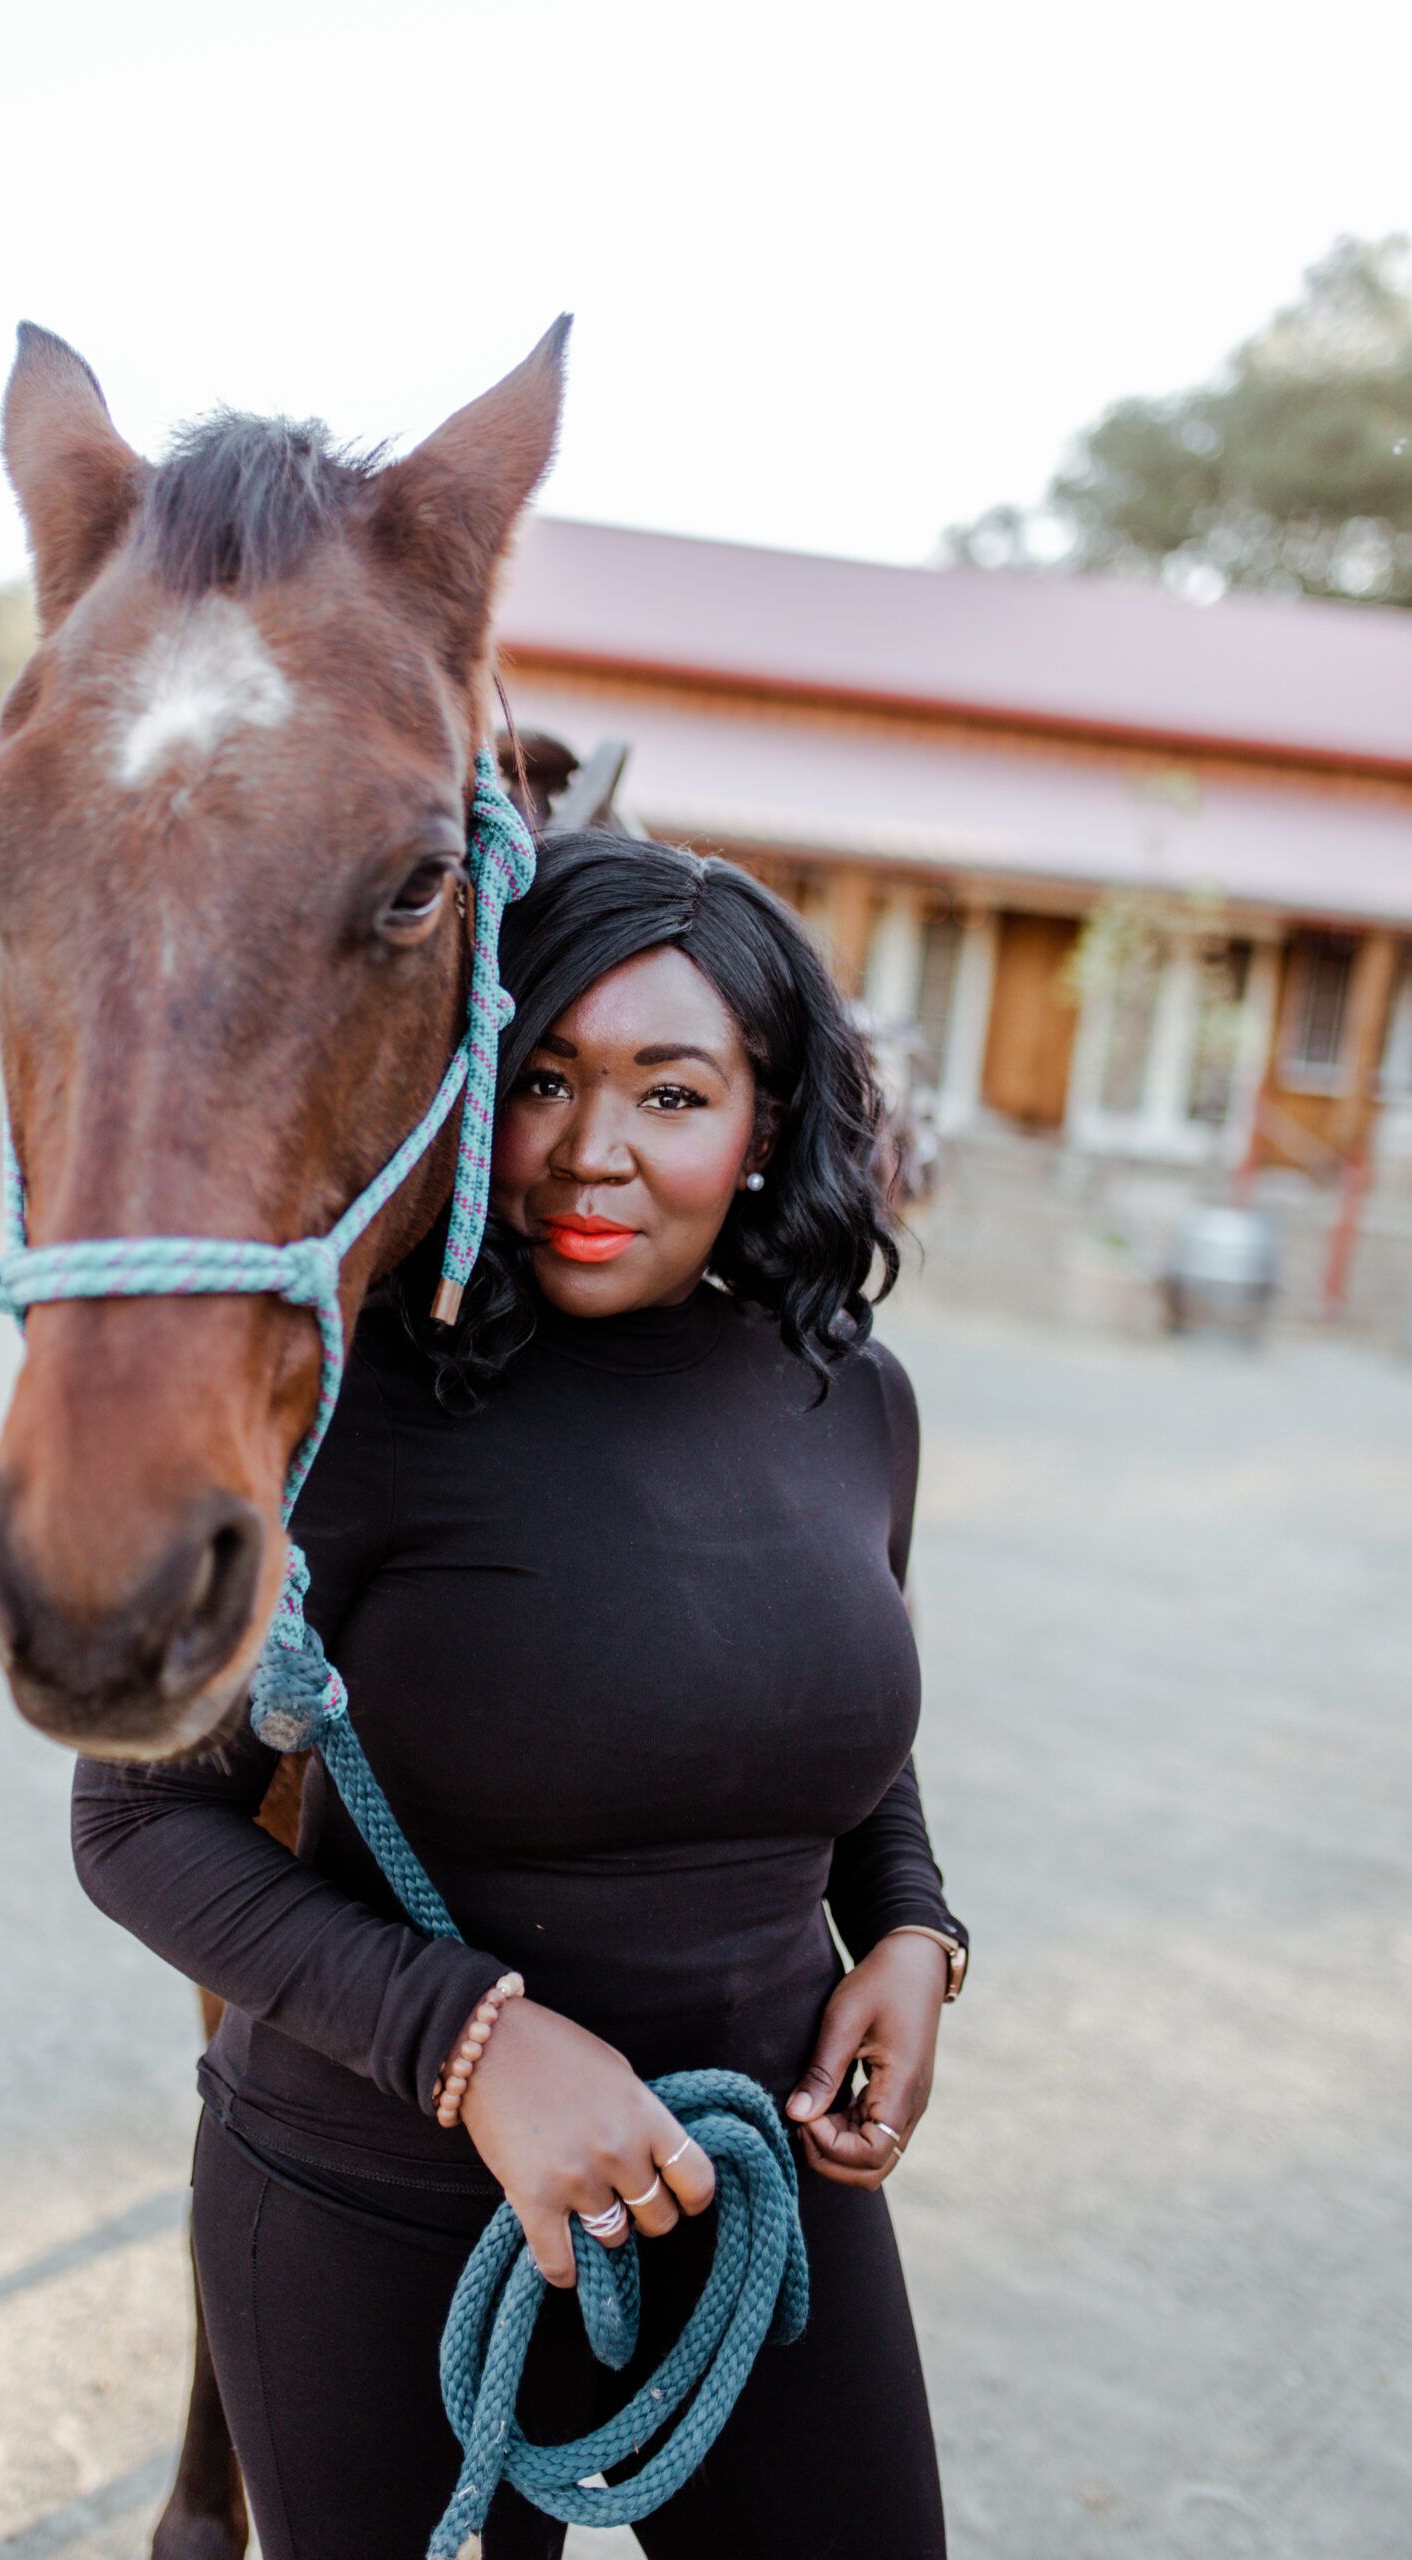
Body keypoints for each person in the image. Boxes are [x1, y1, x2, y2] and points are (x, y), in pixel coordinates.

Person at [73, 829, 967, 2560]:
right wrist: (473, 2044)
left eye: (671, 1093)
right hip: (381, 2212)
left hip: (761, 2194)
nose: (591, 1152)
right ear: (475, 1083)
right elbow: (132, 1819)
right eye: (546, 1074)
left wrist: (913, 1930)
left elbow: (836, 1726)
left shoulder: (852, 1402)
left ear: (766, 1121)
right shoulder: (345, 1413)